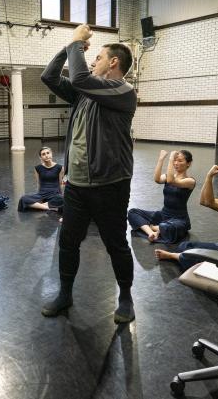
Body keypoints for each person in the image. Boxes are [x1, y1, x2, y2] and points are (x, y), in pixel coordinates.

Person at [39, 24, 139, 324]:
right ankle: (65, 293)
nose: (93, 60)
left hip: (110, 185)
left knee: (116, 244)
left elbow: (80, 77)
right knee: (68, 242)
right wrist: (70, 47)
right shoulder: (84, 95)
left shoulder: (123, 91)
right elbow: (49, 77)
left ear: (114, 62)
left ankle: (125, 296)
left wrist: (76, 42)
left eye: (98, 57)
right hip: (77, 185)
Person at [127, 150, 195, 243]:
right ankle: (152, 233)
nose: (175, 163)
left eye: (179, 160)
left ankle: (155, 227)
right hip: (164, 214)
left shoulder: (190, 181)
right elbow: (157, 179)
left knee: (167, 227)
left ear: (188, 163)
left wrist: (171, 158)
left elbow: (171, 181)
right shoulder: (168, 176)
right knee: (132, 212)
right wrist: (161, 159)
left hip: (179, 219)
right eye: (175, 160)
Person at [17, 146, 64, 212]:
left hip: (55, 194)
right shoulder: (37, 168)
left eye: (48, 153)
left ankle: (38, 206)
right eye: (43, 154)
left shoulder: (59, 167)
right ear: (40, 157)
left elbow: (60, 183)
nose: (46, 155)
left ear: (51, 154)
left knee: (62, 199)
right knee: (23, 198)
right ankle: (49, 208)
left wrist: (61, 195)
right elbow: (38, 183)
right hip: (42, 194)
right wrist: (39, 196)